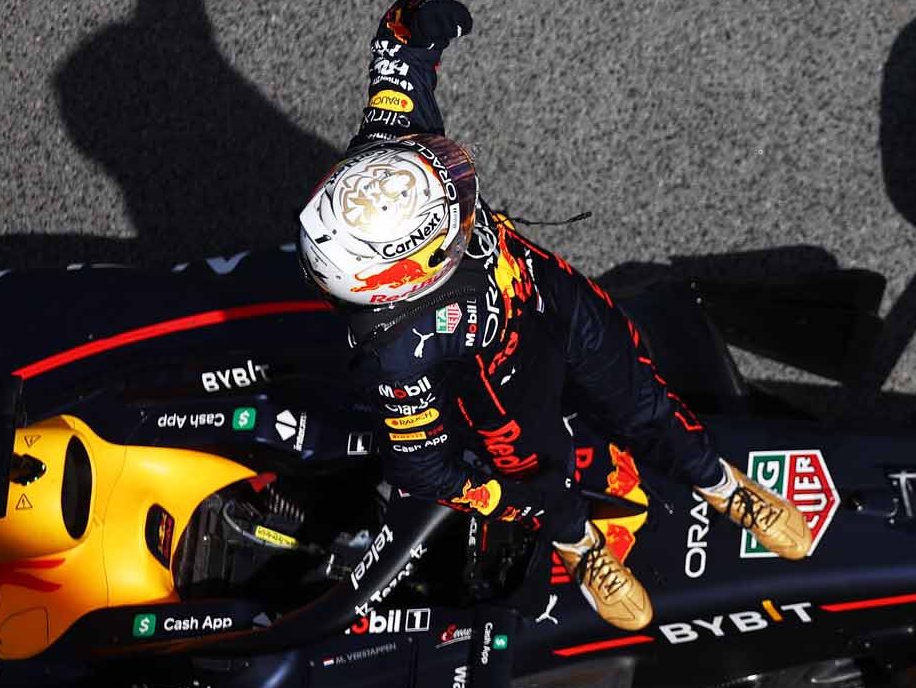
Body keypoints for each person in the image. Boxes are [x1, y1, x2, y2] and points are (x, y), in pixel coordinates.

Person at [295, 0, 809, 632]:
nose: (462, 203)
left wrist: (414, 17)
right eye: (449, 225)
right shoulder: (395, 359)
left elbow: (398, 58)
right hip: (497, 390)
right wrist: (506, 502)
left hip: (557, 302)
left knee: (642, 400)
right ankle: (578, 545)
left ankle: (721, 484)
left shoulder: (393, 159)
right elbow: (422, 469)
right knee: (544, 481)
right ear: (402, 278)